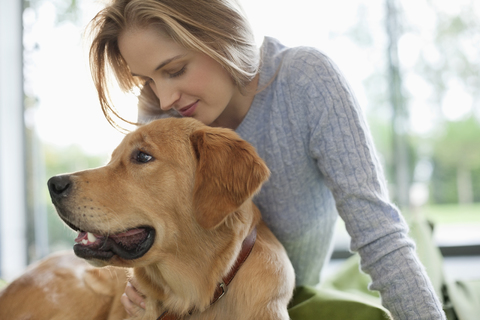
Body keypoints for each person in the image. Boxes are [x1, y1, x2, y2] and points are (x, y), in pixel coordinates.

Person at [88, 0, 446, 319]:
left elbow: (379, 235)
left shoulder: (305, 82)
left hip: (285, 293)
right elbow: (149, 230)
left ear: (219, 36)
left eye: (175, 69)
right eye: (148, 80)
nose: (165, 100)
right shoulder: (158, 112)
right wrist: (138, 281)